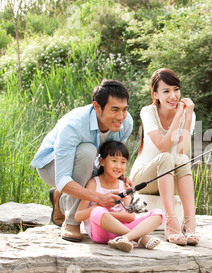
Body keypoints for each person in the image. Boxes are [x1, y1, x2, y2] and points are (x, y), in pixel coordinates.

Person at [32, 79, 134, 242]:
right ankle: (71, 222)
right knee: (87, 151)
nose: (120, 117)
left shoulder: (126, 123)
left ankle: (62, 199)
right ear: (97, 107)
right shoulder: (73, 125)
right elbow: (62, 178)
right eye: (115, 110)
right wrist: (97, 197)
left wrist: (121, 178)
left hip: (88, 165)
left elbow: (112, 157)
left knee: (89, 157)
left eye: (124, 110)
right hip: (51, 166)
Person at [129, 68, 198, 246]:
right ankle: (171, 222)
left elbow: (183, 150)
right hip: (144, 177)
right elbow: (163, 147)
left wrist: (188, 116)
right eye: (166, 91)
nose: (173, 95)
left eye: (176, 89)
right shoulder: (148, 112)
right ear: (155, 94)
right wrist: (177, 117)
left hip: (168, 177)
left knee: (182, 160)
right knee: (166, 157)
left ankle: (190, 222)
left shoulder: (187, 114)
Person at [75, 140, 165, 252]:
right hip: (101, 233)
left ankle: (125, 238)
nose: (118, 166)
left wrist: (109, 214)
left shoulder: (123, 185)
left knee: (159, 214)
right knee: (97, 211)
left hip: (124, 229)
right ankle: (139, 238)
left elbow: (130, 217)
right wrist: (99, 208)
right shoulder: (93, 183)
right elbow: (78, 216)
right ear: (102, 161)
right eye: (114, 161)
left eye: (123, 162)